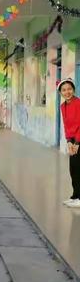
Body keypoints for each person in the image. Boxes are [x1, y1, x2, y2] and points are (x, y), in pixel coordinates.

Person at [59, 78, 80, 208]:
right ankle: (75, 196)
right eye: (64, 90)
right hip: (72, 140)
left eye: (69, 89)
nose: (67, 92)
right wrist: (68, 141)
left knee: (79, 168)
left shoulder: (78, 103)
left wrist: (77, 142)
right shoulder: (63, 106)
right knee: (73, 169)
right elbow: (66, 125)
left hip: (79, 139)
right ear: (61, 92)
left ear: (73, 90)